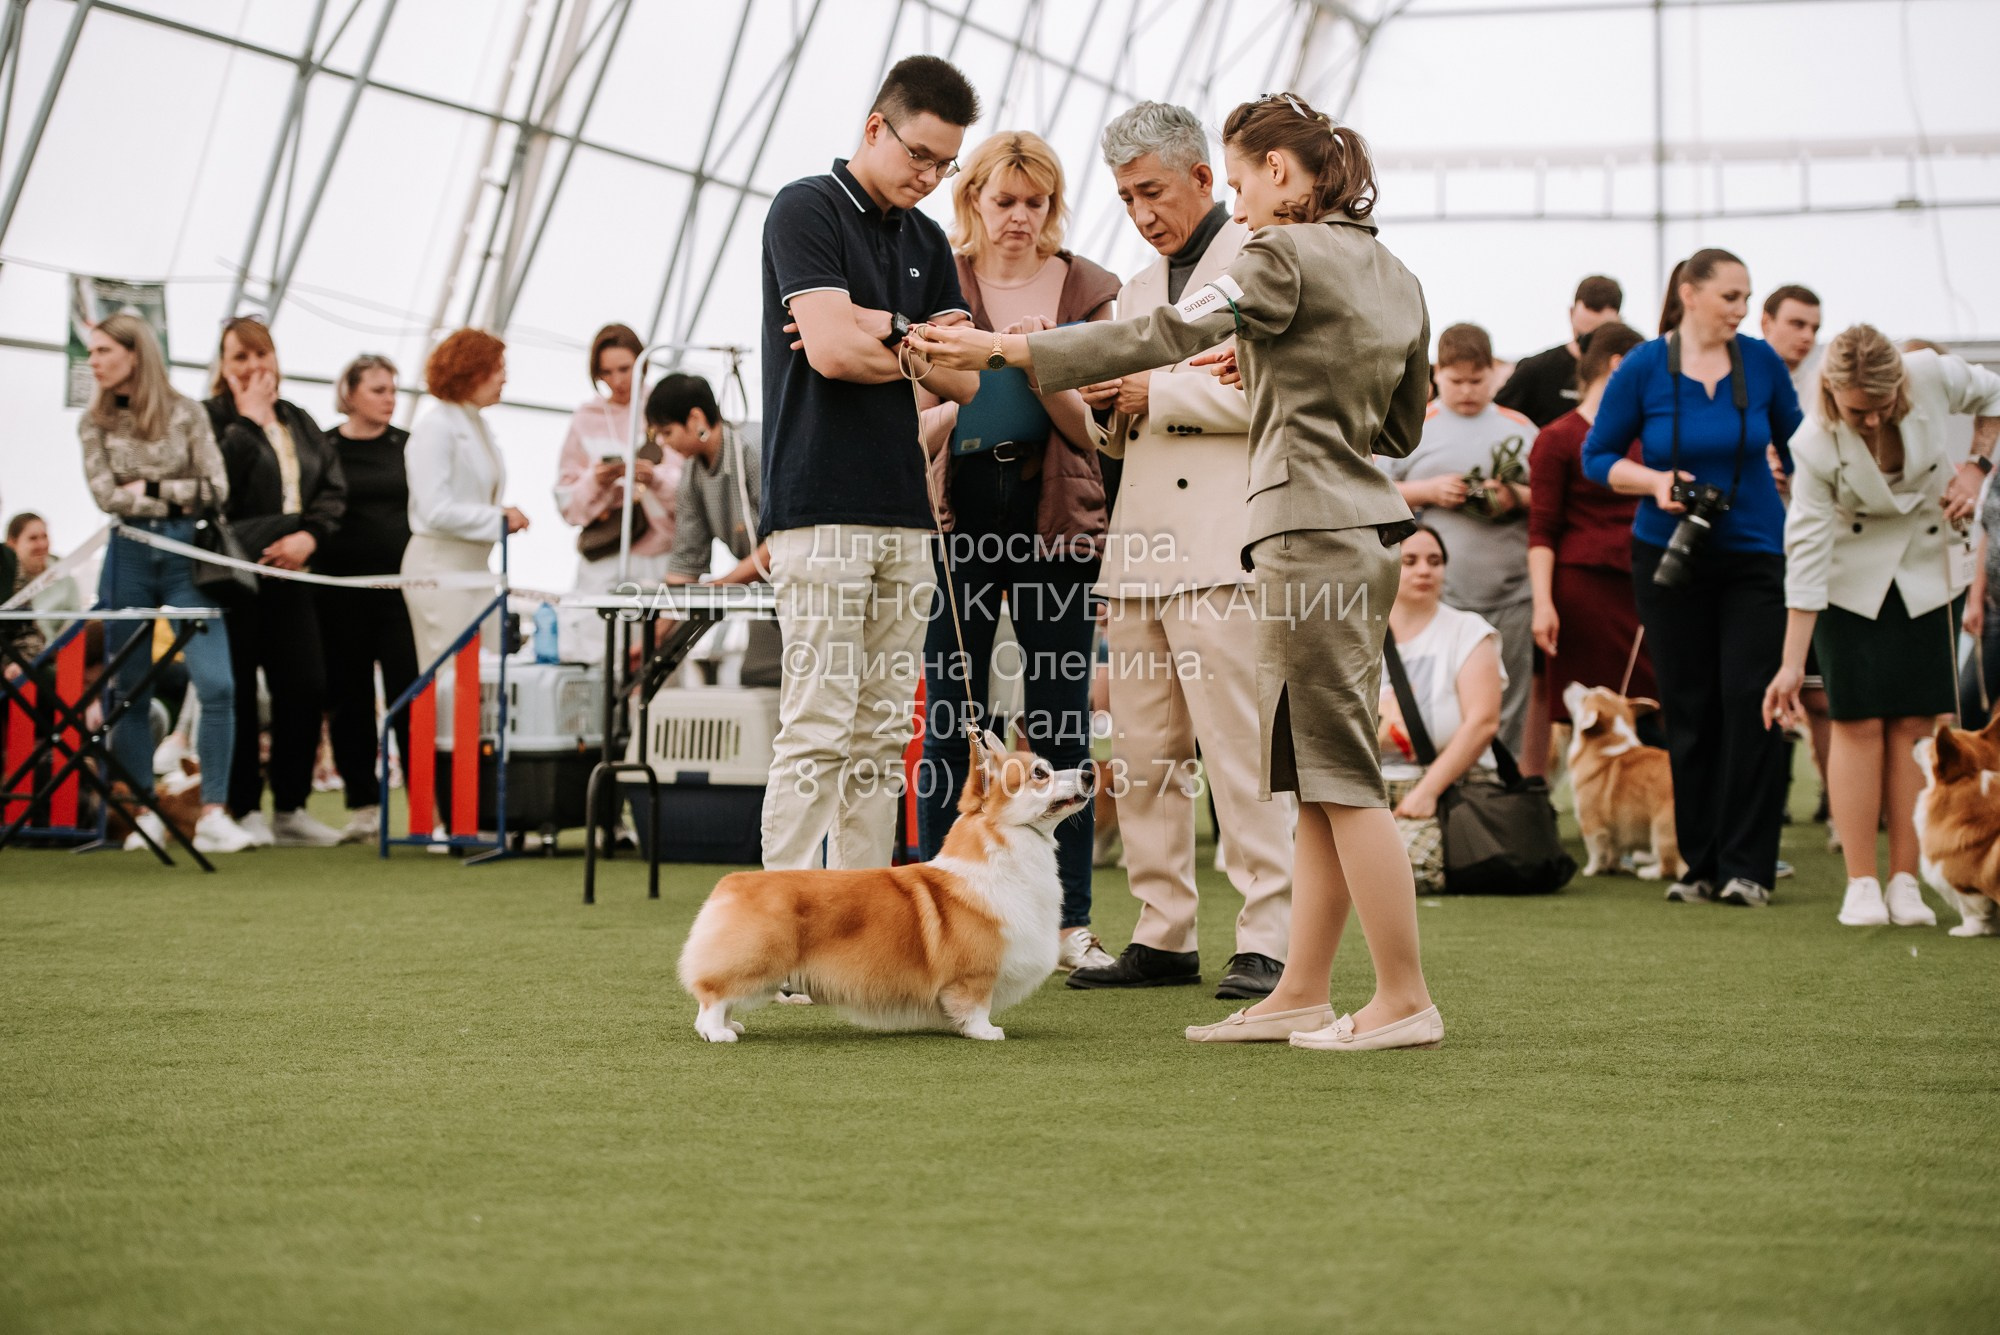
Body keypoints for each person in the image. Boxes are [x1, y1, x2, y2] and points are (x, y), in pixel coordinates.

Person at [913, 91, 1442, 1052]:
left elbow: (1158, 342)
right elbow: (1401, 427)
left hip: (1285, 530)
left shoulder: (1272, 256)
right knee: (1311, 776)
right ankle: (1295, 989)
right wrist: (1271, 380)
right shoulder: (1396, 273)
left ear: (1274, 173)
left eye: (1239, 183)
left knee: (1331, 779)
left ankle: (1399, 995)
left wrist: (1005, 346)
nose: (1236, 207)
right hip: (1352, 530)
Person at [1060, 100, 1300, 1001]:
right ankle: (1163, 934)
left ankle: (1269, 934)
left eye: (1152, 190)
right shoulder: (1130, 290)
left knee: (1240, 752)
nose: (1141, 212)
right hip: (1140, 547)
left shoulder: (1268, 263)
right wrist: (1109, 405)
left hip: (1226, 543)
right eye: (1125, 198)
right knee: (1145, 753)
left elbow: (1282, 400)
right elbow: (1118, 429)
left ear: (1206, 177)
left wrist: (1154, 389)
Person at [901, 129, 1122, 974]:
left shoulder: (1088, 288)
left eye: (1035, 202)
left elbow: (1094, 432)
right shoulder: (935, 279)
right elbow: (914, 417)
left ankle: (1070, 922)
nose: (1021, 217)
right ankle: (938, 895)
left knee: (1061, 711)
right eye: (1005, 201)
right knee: (949, 710)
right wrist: (962, 405)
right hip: (957, 523)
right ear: (974, 203)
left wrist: (1038, 366)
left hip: (1055, 521)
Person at [757, 55, 980, 872]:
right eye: (918, 154)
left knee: (884, 732)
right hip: (817, 505)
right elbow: (829, 354)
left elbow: (966, 378)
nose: (928, 176)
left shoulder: (928, 239)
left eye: (944, 164)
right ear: (875, 128)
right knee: (818, 723)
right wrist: (910, 338)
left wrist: (879, 323)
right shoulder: (805, 207)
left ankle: (857, 939)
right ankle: (779, 937)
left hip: (906, 513)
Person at [1582, 249, 1803, 908]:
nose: (1741, 310)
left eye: (1746, 297)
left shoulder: (1760, 362)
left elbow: (1802, 446)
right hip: (1668, 555)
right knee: (1690, 706)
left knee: (1749, 699)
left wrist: (1800, 480)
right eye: (1731, 296)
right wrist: (1656, 482)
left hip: (1755, 554)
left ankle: (1749, 867)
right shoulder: (1646, 366)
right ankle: (1697, 864)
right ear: (1690, 293)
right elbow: (1598, 457)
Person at [1763, 326, 2000, 927]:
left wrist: (1977, 468)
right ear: (1831, 392)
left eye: (1884, 407)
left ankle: (1906, 883)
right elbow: (1807, 555)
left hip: (1929, 568)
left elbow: (1995, 399)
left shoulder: (1932, 373)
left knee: (1918, 725)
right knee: (1857, 720)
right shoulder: (1812, 444)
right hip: (1849, 581)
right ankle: (1862, 884)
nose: (1872, 422)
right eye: (1858, 411)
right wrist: (1792, 663)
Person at [76, 315, 254, 853]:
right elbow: (107, 496)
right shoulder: (94, 423)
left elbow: (215, 488)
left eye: (105, 350)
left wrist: (149, 485)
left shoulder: (187, 412)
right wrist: (176, 493)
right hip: (127, 556)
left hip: (187, 559)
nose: (94, 360)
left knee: (217, 683)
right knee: (128, 690)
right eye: (93, 351)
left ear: (136, 354)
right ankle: (145, 811)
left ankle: (215, 812)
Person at [204, 317, 348, 848]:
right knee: (238, 688)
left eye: (260, 354)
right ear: (222, 366)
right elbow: (213, 492)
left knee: (306, 685)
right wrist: (247, 423)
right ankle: (242, 808)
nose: (253, 367)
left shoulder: (301, 422)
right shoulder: (210, 420)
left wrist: (310, 537)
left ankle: (290, 806)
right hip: (232, 577)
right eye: (239, 357)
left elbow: (331, 489)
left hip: (293, 575)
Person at [1382, 323, 1538, 756]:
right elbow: (1374, 491)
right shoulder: (1413, 426)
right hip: (1438, 594)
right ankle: (1442, 792)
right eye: (1456, 381)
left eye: (1478, 380)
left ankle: (1497, 799)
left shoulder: (1520, 428)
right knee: (1440, 698)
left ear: (1495, 374)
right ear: (1436, 376)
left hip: (1512, 591)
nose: (1467, 391)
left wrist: (1513, 496)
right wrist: (1428, 491)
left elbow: (1550, 500)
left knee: (1509, 702)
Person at [1527, 321, 1657, 729]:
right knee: (1591, 721)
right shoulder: (1557, 437)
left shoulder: (1649, 435)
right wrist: (1543, 603)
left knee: (1653, 708)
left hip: (1647, 584)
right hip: (1585, 590)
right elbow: (1542, 529)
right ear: (1618, 365)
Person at [315, 354, 418, 844]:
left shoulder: (409, 447)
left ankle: (425, 802)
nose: (389, 398)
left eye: (393, 389)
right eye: (378, 389)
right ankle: (362, 805)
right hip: (340, 595)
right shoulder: (324, 446)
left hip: (401, 594)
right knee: (349, 699)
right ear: (351, 393)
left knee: (408, 694)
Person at [1380, 526, 1504, 893]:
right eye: (1410, 561)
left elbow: (1483, 722)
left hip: (1448, 786)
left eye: (1435, 562)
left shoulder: (1468, 631)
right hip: (1371, 789)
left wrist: (1428, 791)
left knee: (1405, 871)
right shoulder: (1359, 631)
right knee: (1310, 866)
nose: (1424, 571)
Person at [402, 328, 529, 670]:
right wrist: (498, 519)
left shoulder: (478, 425)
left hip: (475, 569)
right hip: (439, 569)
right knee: (450, 676)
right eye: (497, 368)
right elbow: (434, 510)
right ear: (471, 371)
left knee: (483, 673)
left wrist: (498, 517)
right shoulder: (436, 427)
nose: (504, 377)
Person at [554, 323, 681, 664]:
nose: (617, 380)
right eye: (606, 372)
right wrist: (596, 480)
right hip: (604, 557)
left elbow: (692, 496)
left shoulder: (666, 408)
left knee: (655, 663)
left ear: (642, 363)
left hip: (661, 558)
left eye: (624, 369)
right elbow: (568, 506)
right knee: (598, 661)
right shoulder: (586, 418)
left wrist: (653, 478)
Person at [648, 372, 782, 687]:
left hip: (806, 584)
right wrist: (653, 640)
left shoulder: (754, 448)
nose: (663, 443)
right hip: (763, 590)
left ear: (695, 418)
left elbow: (784, 541)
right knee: (759, 676)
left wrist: (722, 584)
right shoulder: (692, 474)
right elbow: (685, 563)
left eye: (667, 432)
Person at [1496, 275, 1624, 428]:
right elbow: (1495, 420)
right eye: (1582, 337)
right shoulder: (1536, 370)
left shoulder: (1628, 373)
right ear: (1571, 313)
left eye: (1599, 338)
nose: (1588, 347)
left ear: (1619, 322)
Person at [3, 513, 83, 667]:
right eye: (33, 538)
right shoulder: (8, 577)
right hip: (17, 656)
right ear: (12, 544)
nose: (42, 544)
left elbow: (76, 617)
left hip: (61, 651)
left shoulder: (61, 571)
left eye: (44, 536)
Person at [1760, 284, 1823, 399]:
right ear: (1766, 323)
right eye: (1798, 324)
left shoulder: (1826, 388)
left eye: (1815, 329)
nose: (1808, 336)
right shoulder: (1734, 375)